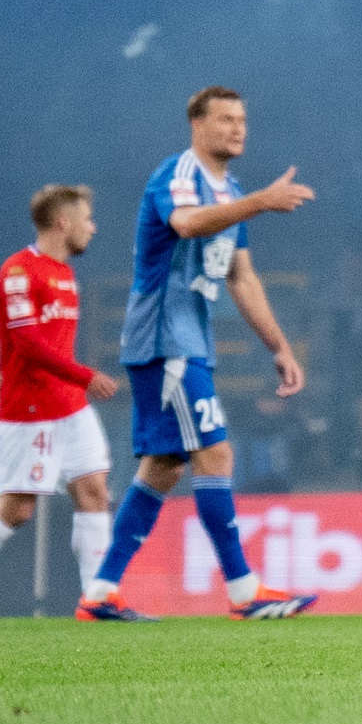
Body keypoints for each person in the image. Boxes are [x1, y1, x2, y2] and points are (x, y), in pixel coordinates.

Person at [86, 84, 319, 619]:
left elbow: (241, 276)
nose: (237, 128)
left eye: (242, 119)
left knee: (164, 467)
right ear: (197, 125)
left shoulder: (230, 187)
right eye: (224, 119)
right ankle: (244, 591)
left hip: (188, 341)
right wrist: (260, 202)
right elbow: (186, 224)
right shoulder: (179, 174)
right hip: (166, 340)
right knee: (216, 453)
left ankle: (101, 591)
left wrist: (279, 347)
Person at [0, 186, 125, 618]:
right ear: (63, 222)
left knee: (94, 491)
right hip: (30, 409)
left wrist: (77, 385)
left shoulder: (65, 274)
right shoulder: (18, 272)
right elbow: (26, 342)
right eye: (87, 219)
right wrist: (86, 375)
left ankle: (97, 600)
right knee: (18, 507)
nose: (92, 228)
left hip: (71, 406)